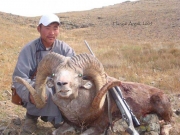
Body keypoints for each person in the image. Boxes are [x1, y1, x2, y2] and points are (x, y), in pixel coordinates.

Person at [12, 13, 75, 134]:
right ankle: (31, 116)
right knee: (41, 90)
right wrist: (29, 95)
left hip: (59, 87)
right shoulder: (29, 49)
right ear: (39, 29)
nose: (51, 32)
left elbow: (74, 70)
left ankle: (56, 118)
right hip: (36, 89)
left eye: (55, 28)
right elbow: (19, 77)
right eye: (47, 28)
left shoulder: (65, 49)